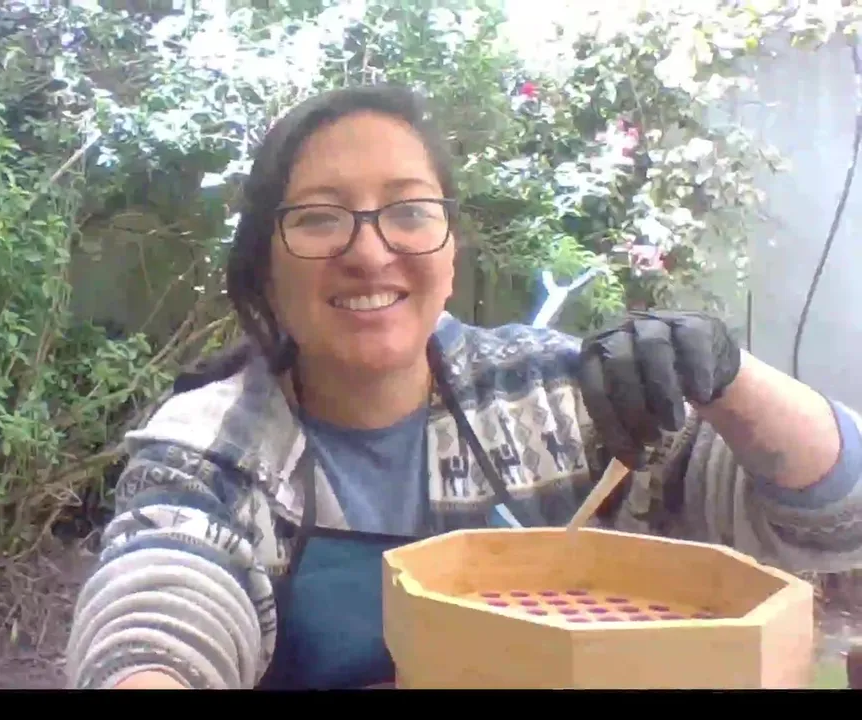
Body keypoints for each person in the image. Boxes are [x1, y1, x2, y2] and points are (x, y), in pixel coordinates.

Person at [63, 85, 861, 690]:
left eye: (408, 210)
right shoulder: (213, 448)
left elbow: (838, 522)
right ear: (264, 268)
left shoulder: (557, 397)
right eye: (318, 218)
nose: (369, 253)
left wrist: (729, 376)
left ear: (450, 252)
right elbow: (156, 619)